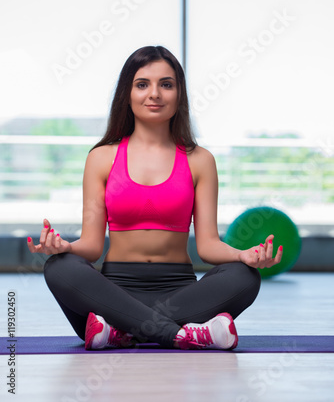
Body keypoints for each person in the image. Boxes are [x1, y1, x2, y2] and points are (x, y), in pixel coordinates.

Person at [27, 45, 283, 350]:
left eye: (166, 84)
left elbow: (208, 246)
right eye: (142, 84)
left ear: (179, 94)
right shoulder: (101, 158)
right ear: (127, 93)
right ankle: (181, 335)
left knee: (245, 276)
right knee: (59, 266)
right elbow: (92, 247)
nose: (155, 94)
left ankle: (120, 332)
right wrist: (65, 247)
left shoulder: (200, 160)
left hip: (180, 297)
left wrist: (243, 256)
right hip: (112, 294)